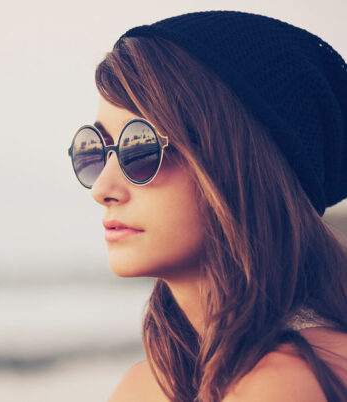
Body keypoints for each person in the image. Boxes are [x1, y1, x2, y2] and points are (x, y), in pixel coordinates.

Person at [67, 10, 347, 402]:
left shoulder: (282, 384)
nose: (103, 188)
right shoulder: (148, 387)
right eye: (95, 152)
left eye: (140, 147)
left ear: (240, 165)